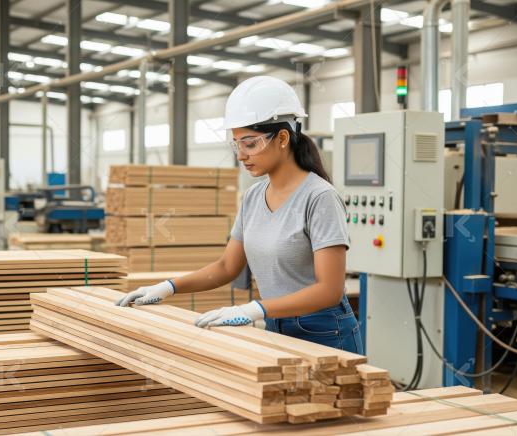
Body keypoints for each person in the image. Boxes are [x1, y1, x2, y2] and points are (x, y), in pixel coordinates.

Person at [115, 75, 362, 353]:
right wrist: (167, 287)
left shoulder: (319, 197)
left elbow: (329, 290)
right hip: (275, 325)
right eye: (236, 145)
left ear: (282, 137)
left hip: (325, 331)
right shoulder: (253, 197)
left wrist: (255, 308)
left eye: (250, 143)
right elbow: (226, 267)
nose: (241, 155)